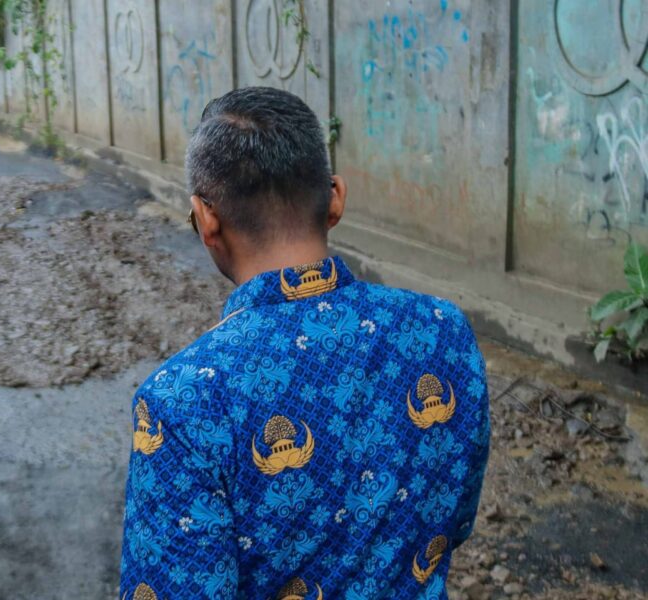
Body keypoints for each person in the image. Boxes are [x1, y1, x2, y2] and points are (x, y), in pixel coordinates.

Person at [119, 87, 490, 598]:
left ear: (206, 219)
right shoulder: (443, 330)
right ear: (335, 197)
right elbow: (455, 517)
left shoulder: (180, 404)